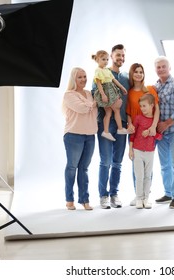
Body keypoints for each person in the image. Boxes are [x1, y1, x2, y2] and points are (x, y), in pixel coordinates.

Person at [93, 44, 131, 209]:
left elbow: (130, 99)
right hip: (106, 124)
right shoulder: (102, 73)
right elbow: (96, 95)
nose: (121, 58)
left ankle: (114, 193)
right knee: (105, 161)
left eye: (123, 56)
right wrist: (111, 101)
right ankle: (103, 196)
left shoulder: (125, 77)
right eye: (118, 55)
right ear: (111, 56)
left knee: (117, 162)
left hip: (122, 123)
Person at [62, 67, 97, 211]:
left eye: (84, 76)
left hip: (90, 135)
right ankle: (69, 199)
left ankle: (84, 200)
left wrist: (90, 105)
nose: (83, 80)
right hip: (73, 135)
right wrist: (92, 105)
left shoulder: (89, 94)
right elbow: (82, 109)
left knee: (84, 168)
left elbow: (94, 111)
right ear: (73, 79)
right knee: (72, 167)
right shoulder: (69, 95)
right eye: (79, 77)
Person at [154, 56, 174, 209]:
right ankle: (168, 193)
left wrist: (166, 123)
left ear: (169, 67)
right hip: (161, 133)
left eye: (163, 66)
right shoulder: (154, 87)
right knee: (165, 165)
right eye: (158, 67)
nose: (161, 69)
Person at [126, 63, 160, 206]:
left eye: (141, 71)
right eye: (136, 72)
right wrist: (130, 124)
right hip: (136, 132)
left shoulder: (150, 89)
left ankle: (147, 196)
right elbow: (128, 113)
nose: (139, 74)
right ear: (132, 74)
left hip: (150, 132)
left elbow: (157, 109)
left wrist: (153, 127)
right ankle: (138, 195)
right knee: (137, 167)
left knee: (148, 169)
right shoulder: (130, 92)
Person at [129, 94, 161, 209]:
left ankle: (146, 198)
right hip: (137, 150)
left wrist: (152, 133)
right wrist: (130, 149)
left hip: (150, 152)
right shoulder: (138, 118)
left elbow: (159, 137)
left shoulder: (155, 121)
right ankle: (139, 198)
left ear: (152, 105)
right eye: (141, 106)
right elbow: (132, 135)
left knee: (148, 176)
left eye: (144, 106)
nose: (142, 108)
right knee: (139, 176)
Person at [92, 50, 129, 142]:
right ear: (97, 60)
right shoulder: (98, 71)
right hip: (106, 92)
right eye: (103, 59)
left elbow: (114, 80)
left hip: (111, 90)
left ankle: (106, 131)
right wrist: (103, 95)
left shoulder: (107, 70)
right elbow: (99, 84)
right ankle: (119, 129)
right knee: (115, 110)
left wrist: (122, 87)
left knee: (109, 112)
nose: (106, 61)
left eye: (107, 59)